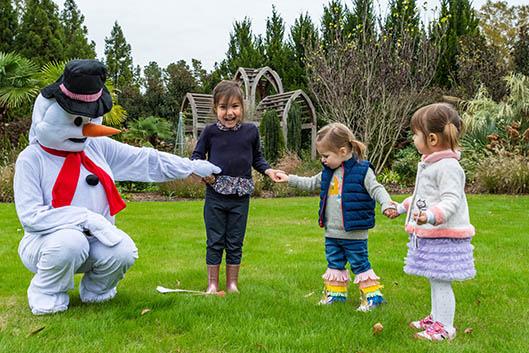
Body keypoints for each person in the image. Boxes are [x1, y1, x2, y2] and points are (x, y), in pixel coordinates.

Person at [14, 59, 220, 315]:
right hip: (45, 244)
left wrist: (191, 166)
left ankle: (97, 292)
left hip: (95, 240)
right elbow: (32, 217)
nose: (87, 129)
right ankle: (47, 292)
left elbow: (145, 160)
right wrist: (86, 219)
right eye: (77, 121)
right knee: (70, 241)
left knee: (122, 250)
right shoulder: (31, 159)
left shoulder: (96, 147)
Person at [275, 122, 397, 311]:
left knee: (359, 263)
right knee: (334, 263)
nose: (323, 160)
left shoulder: (362, 170)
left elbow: (377, 189)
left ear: (342, 151)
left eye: (325, 156)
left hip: (354, 232)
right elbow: (309, 183)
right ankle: (336, 294)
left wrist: (387, 204)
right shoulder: (328, 172)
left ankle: (373, 297)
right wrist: (289, 178)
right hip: (332, 232)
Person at [393, 103, 475, 341]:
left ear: (431, 138)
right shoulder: (432, 164)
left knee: (441, 280)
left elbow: (451, 200)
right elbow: (423, 197)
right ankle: (435, 317)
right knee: (434, 276)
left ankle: (445, 328)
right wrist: (401, 208)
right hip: (434, 233)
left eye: (415, 134)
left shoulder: (448, 167)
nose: (413, 139)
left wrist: (431, 216)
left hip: (445, 234)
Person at [191, 80, 282, 294]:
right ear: (216, 109)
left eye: (234, 106)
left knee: (235, 241)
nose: (229, 112)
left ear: (242, 107)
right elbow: (196, 157)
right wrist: (207, 175)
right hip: (215, 197)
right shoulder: (210, 132)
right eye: (223, 107)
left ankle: (232, 284)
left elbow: (257, 158)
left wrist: (269, 171)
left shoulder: (250, 132)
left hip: (240, 198)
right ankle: (212, 284)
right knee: (215, 240)